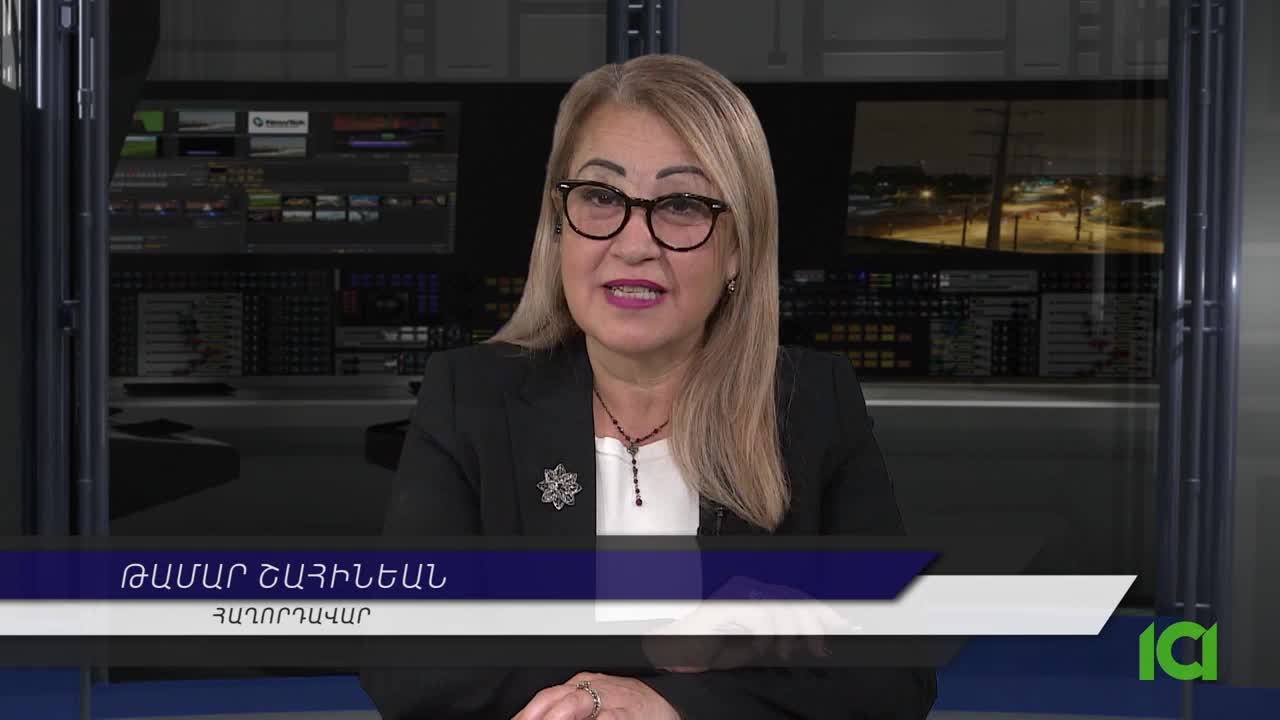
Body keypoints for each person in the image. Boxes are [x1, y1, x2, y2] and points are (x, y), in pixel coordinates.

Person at [360, 54, 937, 719]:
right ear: (558, 224)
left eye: (683, 204)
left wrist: (677, 707)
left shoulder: (813, 403)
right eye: (602, 198)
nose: (634, 245)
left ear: (739, 249)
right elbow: (405, 660)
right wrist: (655, 662)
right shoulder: (470, 396)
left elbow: (898, 678)